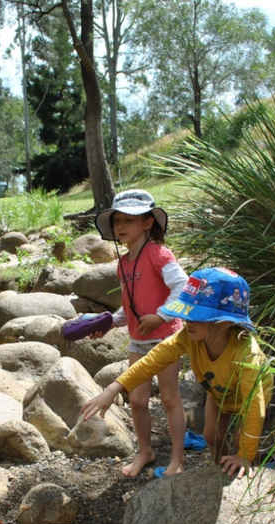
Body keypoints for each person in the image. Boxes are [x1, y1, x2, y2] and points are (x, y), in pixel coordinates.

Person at [81, 267, 273, 479]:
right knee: (211, 435)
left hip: (249, 397)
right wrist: (113, 389)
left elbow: (255, 409)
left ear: (225, 322)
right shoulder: (188, 336)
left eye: (196, 315)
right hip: (218, 393)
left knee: (241, 441)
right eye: (186, 313)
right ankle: (221, 471)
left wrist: (245, 454)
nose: (186, 320)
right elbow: (152, 361)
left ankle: (243, 465)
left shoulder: (247, 355)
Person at [93, 189, 189, 478]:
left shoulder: (159, 254)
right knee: (137, 400)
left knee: (170, 398)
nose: (120, 227)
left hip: (166, 337)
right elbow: (130, 305)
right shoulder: (123, 263)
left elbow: (184, 287)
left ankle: (177, 457)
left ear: (147, 223)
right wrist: (109, 322)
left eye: (129, 220)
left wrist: (161, 314)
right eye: (117, 221)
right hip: (138, 339)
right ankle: (145, 451)